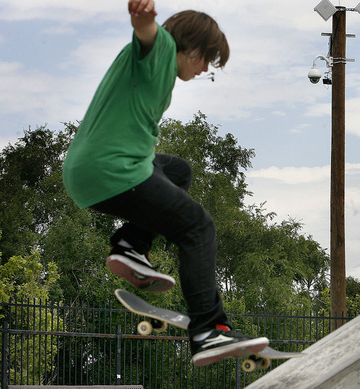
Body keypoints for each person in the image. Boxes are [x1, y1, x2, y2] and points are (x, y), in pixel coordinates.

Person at [62, 0, 268, 366]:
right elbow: (149, 36)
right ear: (190, 46)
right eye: (206, 58)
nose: (205, 68)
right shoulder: (162, 51)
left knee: (177, 171)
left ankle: (130, 244)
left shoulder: (159, 70)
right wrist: (144, 18)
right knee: (197, 227)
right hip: (114, 170)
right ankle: (209, 331)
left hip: (89, 169)